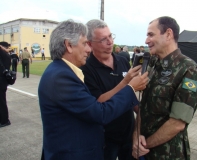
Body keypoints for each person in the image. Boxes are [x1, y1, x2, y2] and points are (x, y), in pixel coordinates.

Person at [38, 19, 148, 160]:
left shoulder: (63, 72)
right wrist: (131, 87)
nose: (88, 49)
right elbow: (99, 113)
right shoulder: (61, 77)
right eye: (84, 43)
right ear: (69, 45)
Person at [132, 16, 197, 160]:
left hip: (168, 154)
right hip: (143, 151)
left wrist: (145, 145)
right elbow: (143, 106)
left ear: (168, 34)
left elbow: (177, 123)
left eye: (151, 35)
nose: (146, 41)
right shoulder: (153, 65)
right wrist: (136, 135)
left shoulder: (189, 70)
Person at [81, 19, 141, 160]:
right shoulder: (86, 69)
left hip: (128, 132)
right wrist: (127, 83)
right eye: (103, 39)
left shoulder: (122, 61)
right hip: (105, 138)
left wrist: (140, 110)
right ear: (89, 44)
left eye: (110, 36)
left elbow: (131, 95)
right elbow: (99, 102)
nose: (110, 42)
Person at [0, 42, 12, 128]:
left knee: (1, 102)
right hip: (3, 80)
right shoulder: (6, 55)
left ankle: (4, 120)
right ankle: (3, 120)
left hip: (1, 80)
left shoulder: (3, 54)